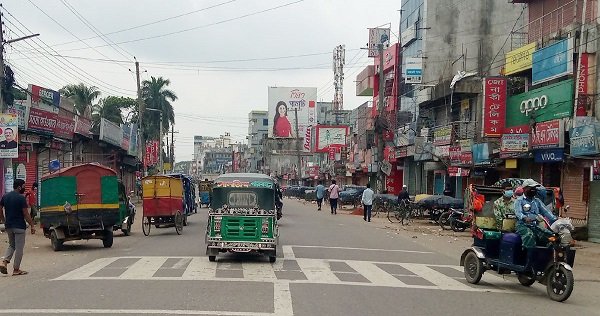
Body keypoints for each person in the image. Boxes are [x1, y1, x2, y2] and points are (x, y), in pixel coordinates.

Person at [0, 179, 35, 276]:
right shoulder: (21, 198)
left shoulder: (5, 196)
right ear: (19, 187)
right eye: (23, 186)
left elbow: (0, 209)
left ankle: (5, 262)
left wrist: (3, 220)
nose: (24, 188)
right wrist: (32, 225)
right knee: (19, 248)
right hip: (19, 226)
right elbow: (26, 214)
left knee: (12, 245)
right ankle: (16, 269)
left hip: (9, 226)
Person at [514, 179, 557, 249]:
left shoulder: (537, 201)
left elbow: (546, 212)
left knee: (552, 236)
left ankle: (548, 255)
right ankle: (528, 257)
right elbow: (518, 213)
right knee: (529, 235)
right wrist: (525, 218)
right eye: (531, 188)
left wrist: (556, 219)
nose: (533, 190)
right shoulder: (519, 201)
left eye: (534, 188)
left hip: (535, 225)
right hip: (522, 226)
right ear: (525, 189)